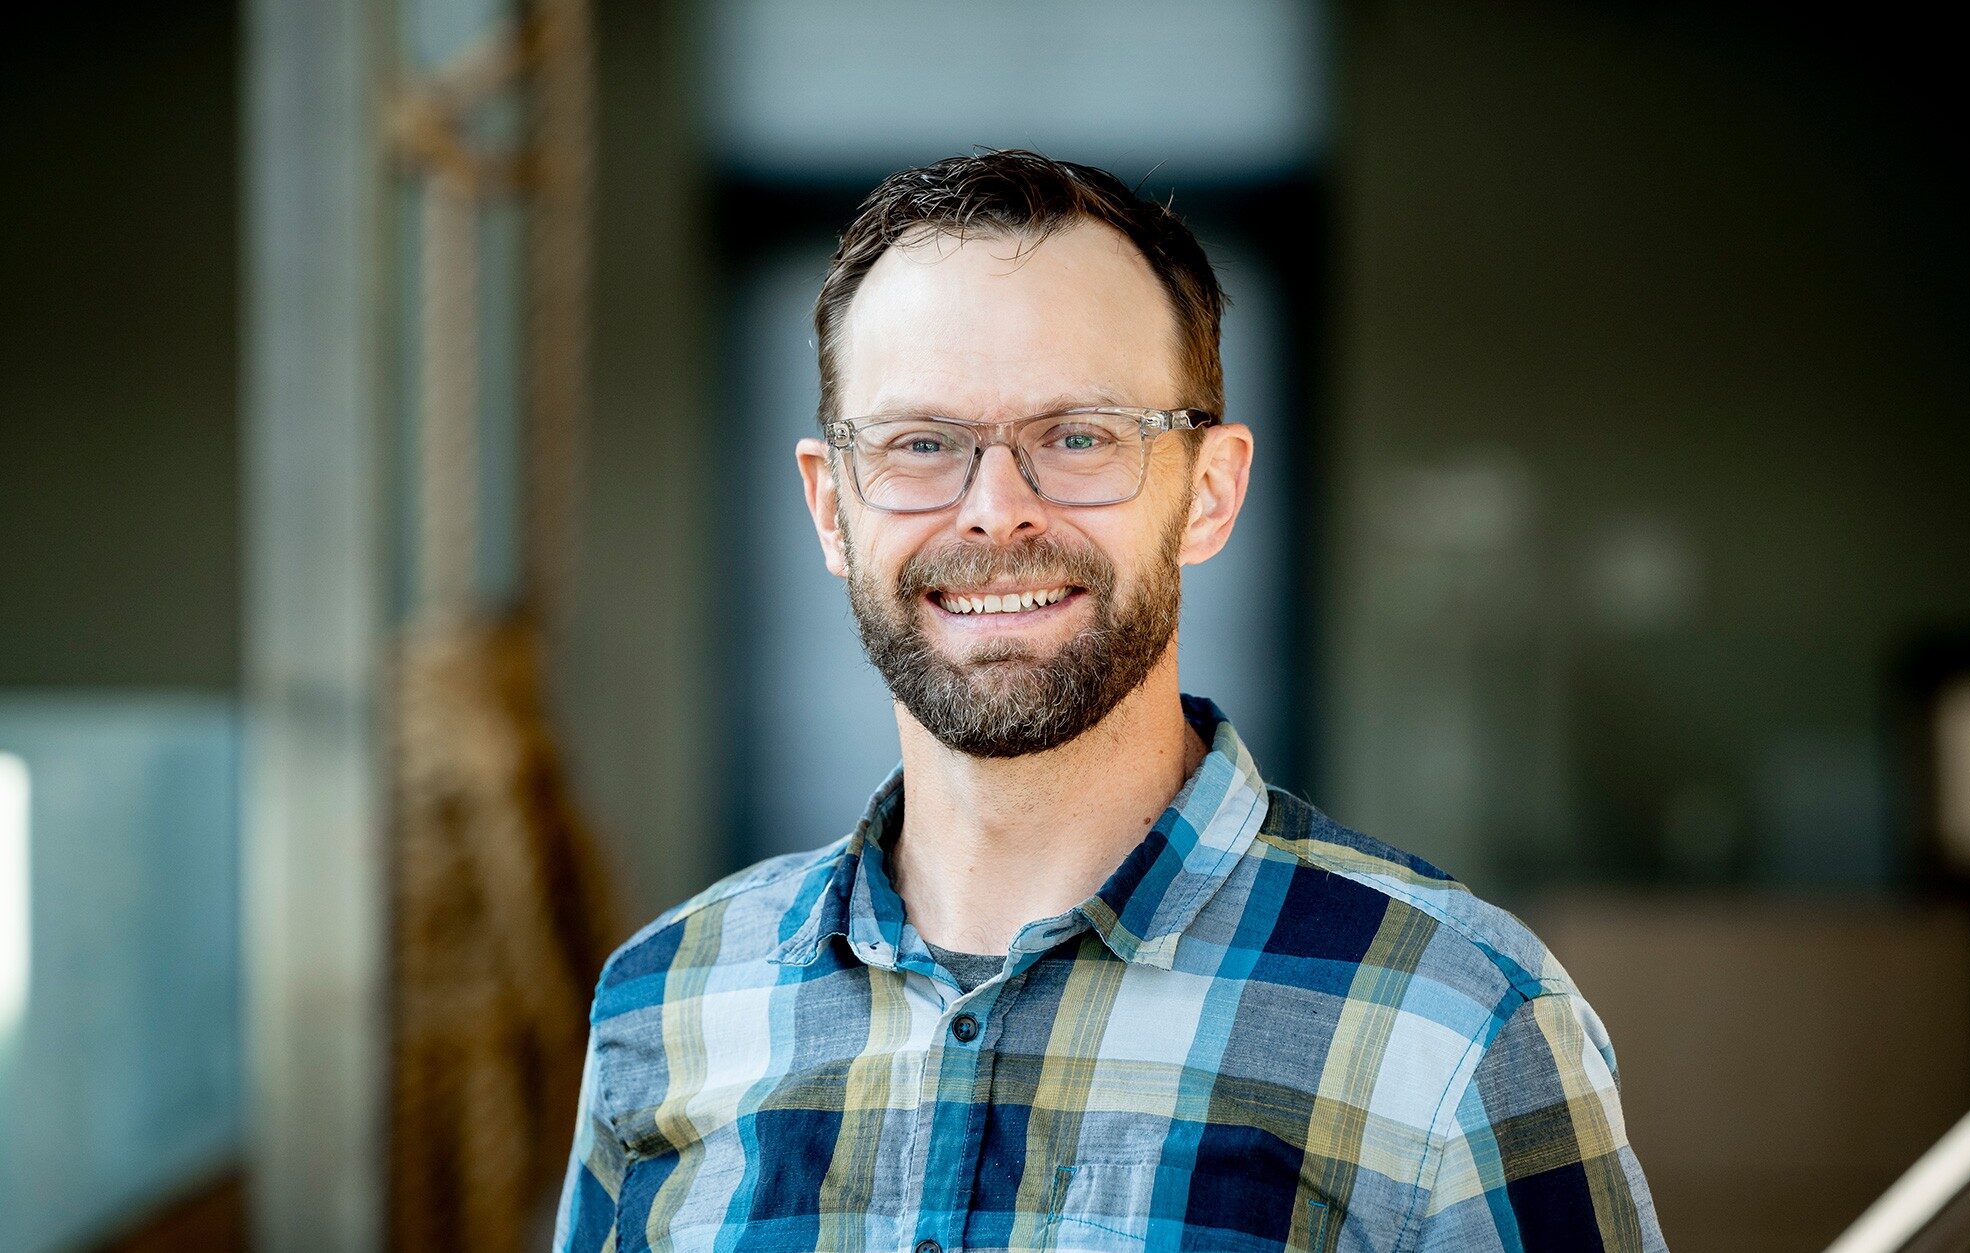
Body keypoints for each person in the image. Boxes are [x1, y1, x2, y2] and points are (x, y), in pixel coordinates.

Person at [554, 150, 1665, 1252]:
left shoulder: (1458, 1022)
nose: (995, 510)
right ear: (831, 509)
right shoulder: (664, 1004)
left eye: (1077, 436)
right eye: (920, 444)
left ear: (1210, 491)